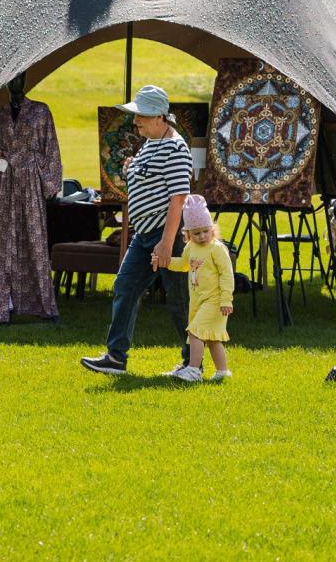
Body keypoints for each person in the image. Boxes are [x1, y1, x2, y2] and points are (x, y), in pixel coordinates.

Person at [81, 84, 193, 376]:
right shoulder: (152, 141)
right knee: (125, 287)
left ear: (159, 117)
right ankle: (116, 358)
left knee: (179, 300)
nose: (135, 121)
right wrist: (132, 167)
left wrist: (166, 243)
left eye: (141, 115)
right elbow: (148, 175)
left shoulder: (175, 148)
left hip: (165, 234)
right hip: (144, 235)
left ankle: (193, 364)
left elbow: (178, 198)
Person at [165, 195, 234, 383]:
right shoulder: (191, 247)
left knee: (195, 332)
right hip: (198, 301)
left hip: (215, 301)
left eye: (205, 231)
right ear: (187, 234)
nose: (202, 236)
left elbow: (227, 274)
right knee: (211, 338)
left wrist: (226, 300)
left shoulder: (217, 248)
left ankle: (194, 370)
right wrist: (166, 262)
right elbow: (183, 265)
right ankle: (223, 372)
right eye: (196, 233)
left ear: (212, 229)